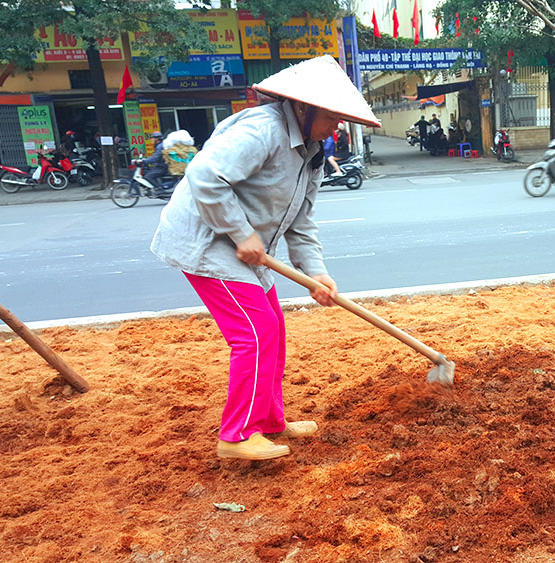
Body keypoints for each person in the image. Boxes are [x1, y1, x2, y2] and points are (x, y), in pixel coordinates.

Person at [150, 55, 382, 461]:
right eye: (332, 116)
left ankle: (270, 420)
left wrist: (317, 275)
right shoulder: (264, 130)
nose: (337, 126)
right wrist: (241, 234)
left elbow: (301, 224)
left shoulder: (311, 154)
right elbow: (204, 175)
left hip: (251, 249)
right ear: (303, 108)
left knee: (272, 326)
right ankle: (236, 436)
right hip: (209, 240)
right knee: (254, 333)